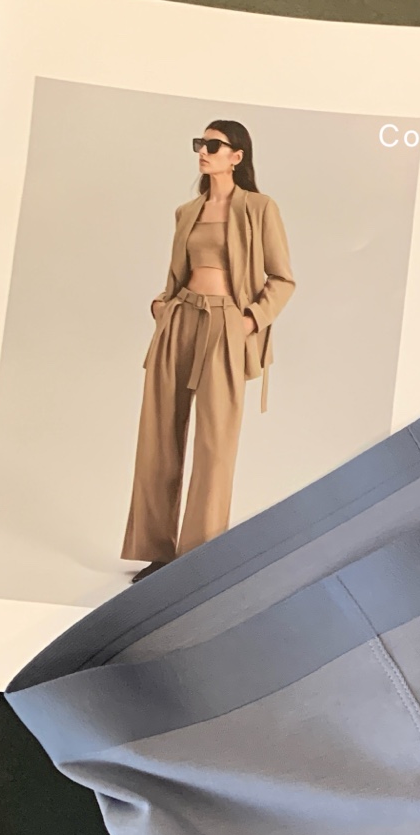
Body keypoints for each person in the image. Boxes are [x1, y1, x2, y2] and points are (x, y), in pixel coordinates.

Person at [121, 120, 295, 577]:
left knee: (216, 444)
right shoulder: (187, 211)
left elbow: (282, 278)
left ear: (237, 156)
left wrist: (248, 320)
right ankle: (158, 552)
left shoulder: (259, 207)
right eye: (200, 143)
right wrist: (161, 305)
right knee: (158, 436)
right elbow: (177, 274)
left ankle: (197, 559)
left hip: (225, 326)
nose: (203, 151)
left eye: (213, 145)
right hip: (179, 320)